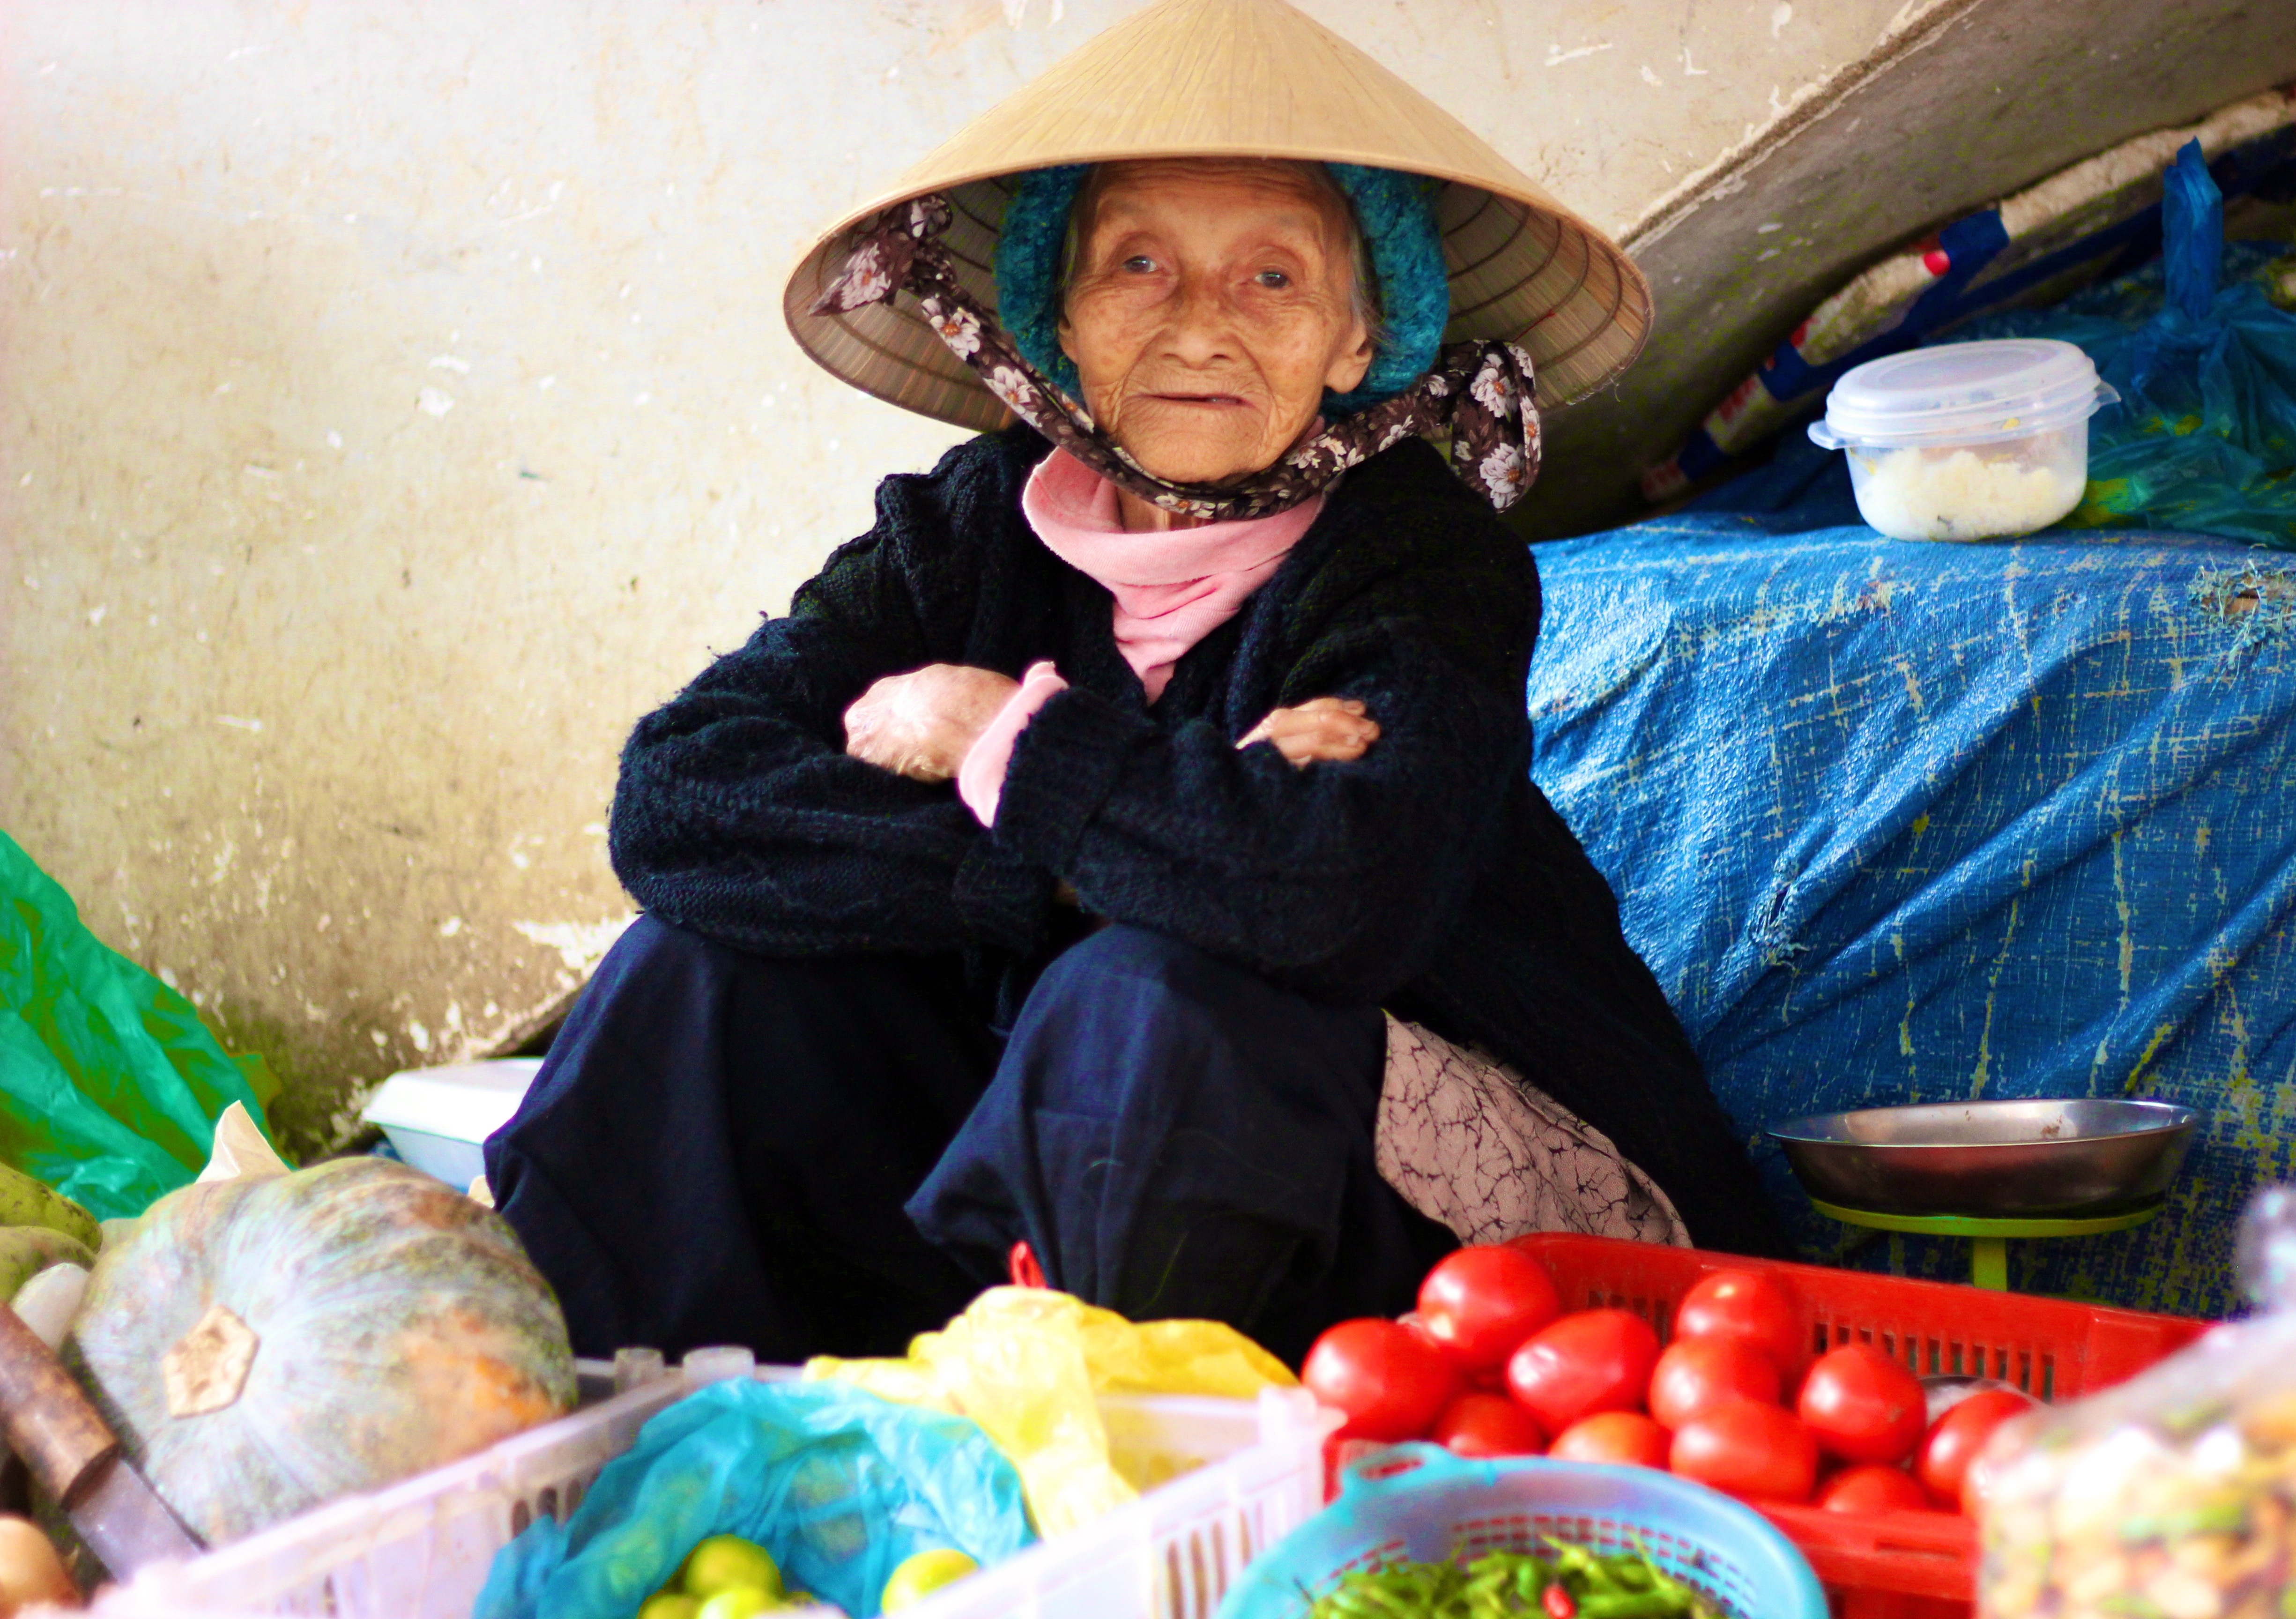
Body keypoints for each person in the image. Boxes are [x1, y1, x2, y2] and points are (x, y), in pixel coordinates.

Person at [487, 0, 1786, 1368]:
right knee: (707, 966)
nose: (1201, 328)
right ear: (1062, 319)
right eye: (1140, 264)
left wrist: (995, 736)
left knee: (1151, 995)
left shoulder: (1417, 560)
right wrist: (1114, 847)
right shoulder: (968, 528)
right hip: (1059, 1145)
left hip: (1447, 1212)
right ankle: (643, 1425)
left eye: (1272, 276)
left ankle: (1120, 1452)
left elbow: (1334, 901)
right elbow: (684, 799)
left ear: (1359, 339)